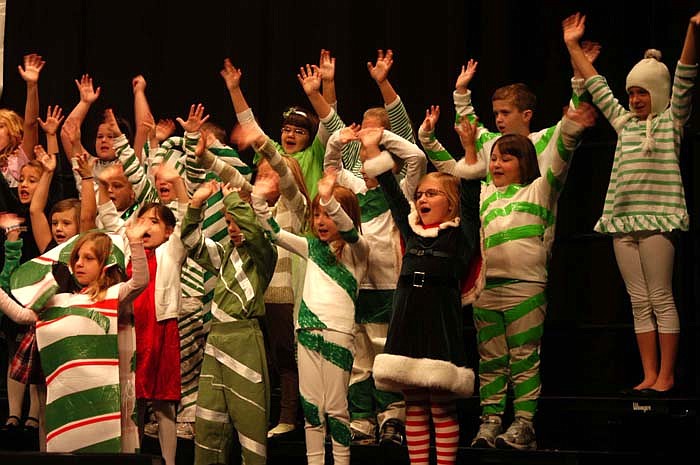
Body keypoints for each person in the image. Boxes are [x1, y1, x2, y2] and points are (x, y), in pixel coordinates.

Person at [422, 99, 595, 450]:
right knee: (491, 360)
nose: (497, 164)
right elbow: (453, 172)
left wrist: (572, 124)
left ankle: (524, 424)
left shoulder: (541, 188)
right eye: (495, 158)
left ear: (525, 162)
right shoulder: (484, 193)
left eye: (507, 158)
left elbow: (563, 150)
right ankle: (490, 421)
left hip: (527, 289)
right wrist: (431, 142)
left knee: (524, 357)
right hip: (488, 289)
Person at [563, 11, 700, 396]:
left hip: (657, 220)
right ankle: (650, 374)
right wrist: (573, 46)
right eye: (632, 93)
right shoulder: (625, 125)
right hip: (622, 221)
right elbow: (596, 84)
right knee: (638, 300)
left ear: (658, 93)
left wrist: (691, 28)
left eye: (643, 92)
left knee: (660, 297)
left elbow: (686, 73)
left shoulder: (672, 121)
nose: (636, 99)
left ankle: (668, 376)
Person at [356, 121, 479, 465]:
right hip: (407, 320)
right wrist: (370, 150)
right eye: (420, 194)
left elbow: (471, 198)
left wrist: (469, 150)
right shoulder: (411, 232)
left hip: (439, 323)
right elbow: (394, 194)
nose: (422, 198)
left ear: (451, 204)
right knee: (414, 405)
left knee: (439, 405)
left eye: (432, 194)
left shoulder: (460, 235)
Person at [252, 169, 369, 465]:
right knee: (312, 408)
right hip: (306, 332)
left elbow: (349, 230)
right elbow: (273, 233)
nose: (320, 221)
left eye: (327, 214)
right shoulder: (311, 247)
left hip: (337, 334)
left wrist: (330, 199)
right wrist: (257, 199)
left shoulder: (358, 250)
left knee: (337, 409)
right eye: (317, 214)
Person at [323, 124, 426, 446]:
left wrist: (381, 138)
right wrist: (337, 142)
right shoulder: (356, 191)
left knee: (386, 358)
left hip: (389, 288)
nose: (366, 164)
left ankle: (392, 419)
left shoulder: (402, 191)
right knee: (359, 363)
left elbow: (417, 157)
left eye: (374, 158)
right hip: (357, 290)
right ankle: (362, 421)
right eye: (364, 158)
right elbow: (331, 169)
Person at [8, 228, 149, 452]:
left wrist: (134, 242)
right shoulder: (59, 300)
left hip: (102, 404)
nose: (79, 264)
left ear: (106, 265)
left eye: (88, 258)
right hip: (67, 405)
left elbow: (140, 281)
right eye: (76, 258)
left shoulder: (114, 296)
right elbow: (22, 315)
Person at [181, 179, 277, 465]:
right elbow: (190, 240)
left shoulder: (264, 254)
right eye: (227, 223)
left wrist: (234, 201)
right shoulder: (224, 256)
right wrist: (196, 205)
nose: (232, 229)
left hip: (244, 340)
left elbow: (254, 232)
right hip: (215, 342)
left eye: (236, 222)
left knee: (250, 428)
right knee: (209, 423)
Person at [227, 123, 311, 440]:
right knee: (279, 359)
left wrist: (262, 145)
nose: (263, 180)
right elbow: (236, 182)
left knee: (291, 357)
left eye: (269, 174)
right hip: (267, 295)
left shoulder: (295, 206)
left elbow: (286, 177)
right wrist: (206, 157)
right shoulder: (264, 209)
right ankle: (287, 415)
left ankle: (294, 416)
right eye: (259, 174)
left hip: (290, 294)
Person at [128, 202, 187, 465]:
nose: (147, 226)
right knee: (133, 404)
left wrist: (178, 184)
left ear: (168, 231)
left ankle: (169, 461)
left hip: (160, 330)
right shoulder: (128, 251)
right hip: (132, 332)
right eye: (143, 220)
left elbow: (186, 221)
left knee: (164, 403)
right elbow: (107, 219)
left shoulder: (170, 252)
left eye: (155, 222)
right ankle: (133, 457)